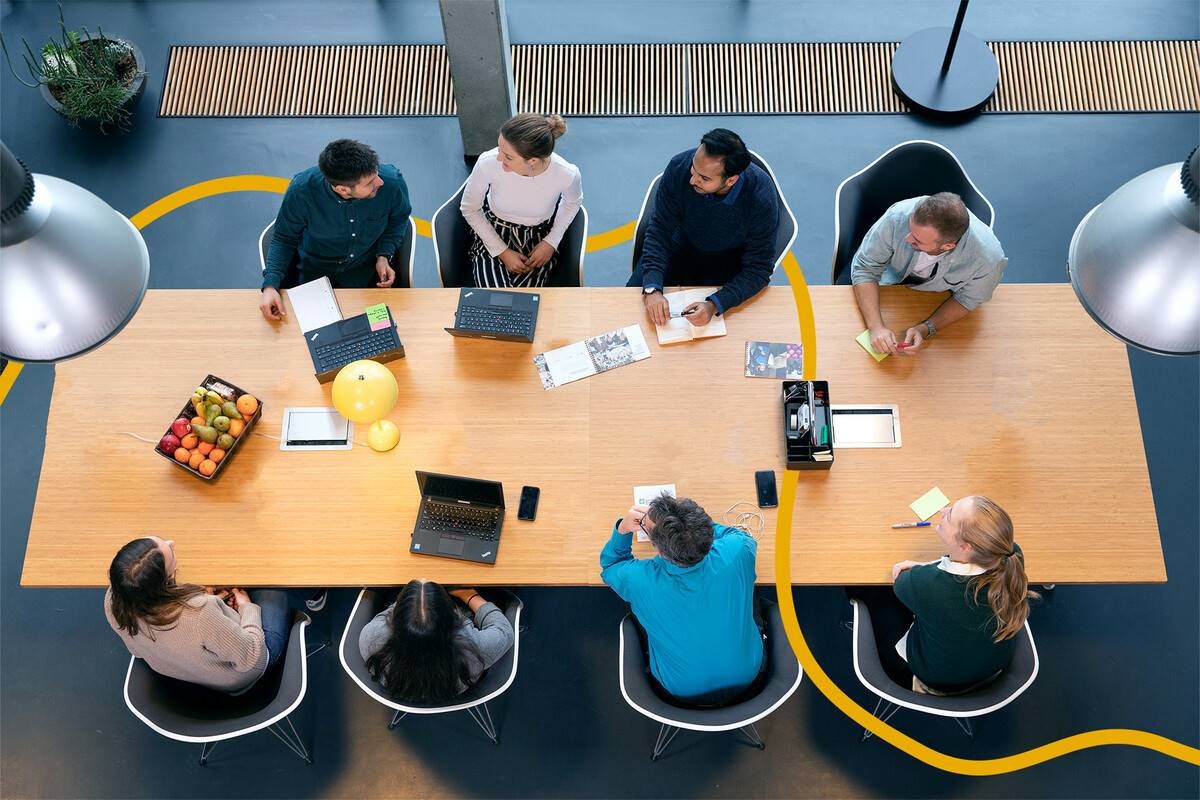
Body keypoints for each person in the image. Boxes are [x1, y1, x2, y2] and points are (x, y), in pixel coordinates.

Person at [851, 495, 1036, 694]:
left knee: (870, 591)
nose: (943, 511)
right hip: (992, 668)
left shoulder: (928, 584)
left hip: (936, 678)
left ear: (966, 547)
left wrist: (920, 568)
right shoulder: (1011, 555)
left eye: (950, 516)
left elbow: (901, 582)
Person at [104, 536, 326, 693]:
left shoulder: (113, 601)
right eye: (171, 556)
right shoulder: (200, 613)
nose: (172, 543)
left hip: (187, 671)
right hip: (246, 671)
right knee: (270, 577)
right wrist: (246, 607)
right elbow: (253, 657)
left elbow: (142, 650)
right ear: (164, 583)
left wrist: (214, 605)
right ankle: (316, 593)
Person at [599, 496, 763, 705]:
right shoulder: (738, 550)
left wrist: (623, 529)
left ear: (659, 550)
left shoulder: (639, 581)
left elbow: (612, 565)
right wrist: (692, 526)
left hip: (680, 689)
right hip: (748, 674)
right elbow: (736, 534)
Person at [630, 129, 780, 328]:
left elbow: (758, 269)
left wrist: (715, 304)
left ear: (731, 180)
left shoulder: (761, 198)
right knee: (629, 313)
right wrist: (652, 289)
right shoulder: (679, 167)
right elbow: (659, 230)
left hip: (729, 261)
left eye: (704, 178)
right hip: (680, 245)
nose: (692, 180)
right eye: (694, 168)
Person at [259, 139, 412, 321]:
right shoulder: (301, 191)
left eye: (376, 174)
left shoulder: (392, 182)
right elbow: (284, 239)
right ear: (343, 189)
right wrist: (270, 286)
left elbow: (398, 220)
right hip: (314, 281)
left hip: (367, 281)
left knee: (380, 339)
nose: (379, 182)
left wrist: (383, 255)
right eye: (370, 182)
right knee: (318, 341)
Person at [850, 192, 1007, 356]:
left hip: (932, 300)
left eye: (917, 241)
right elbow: (865, 269)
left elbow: (967, 300)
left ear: (947, 246)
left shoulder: (989, 260)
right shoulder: (897, 217)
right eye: (910, 230)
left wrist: (926, 328)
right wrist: (876, 327)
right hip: (887, 280)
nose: (907, 239)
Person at [460, 113, 583, 288]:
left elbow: (572, 202)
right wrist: (502, 252)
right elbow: (470, 209)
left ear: (532, 160)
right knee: (494, 296)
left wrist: (551, 242)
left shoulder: (566, 173)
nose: (498, 158)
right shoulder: (487, 162)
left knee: (524, 301)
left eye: (508, 157)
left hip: (538, 238)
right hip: (494, 231)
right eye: (499, 148)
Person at [359, 580, 515, 702]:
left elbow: (387, 615)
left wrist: (411, 603)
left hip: (401, 686)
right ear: (452, 617)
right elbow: (504, 630)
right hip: (452, 687)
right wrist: (469, 595)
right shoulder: (474, 649)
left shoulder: (371, 638)